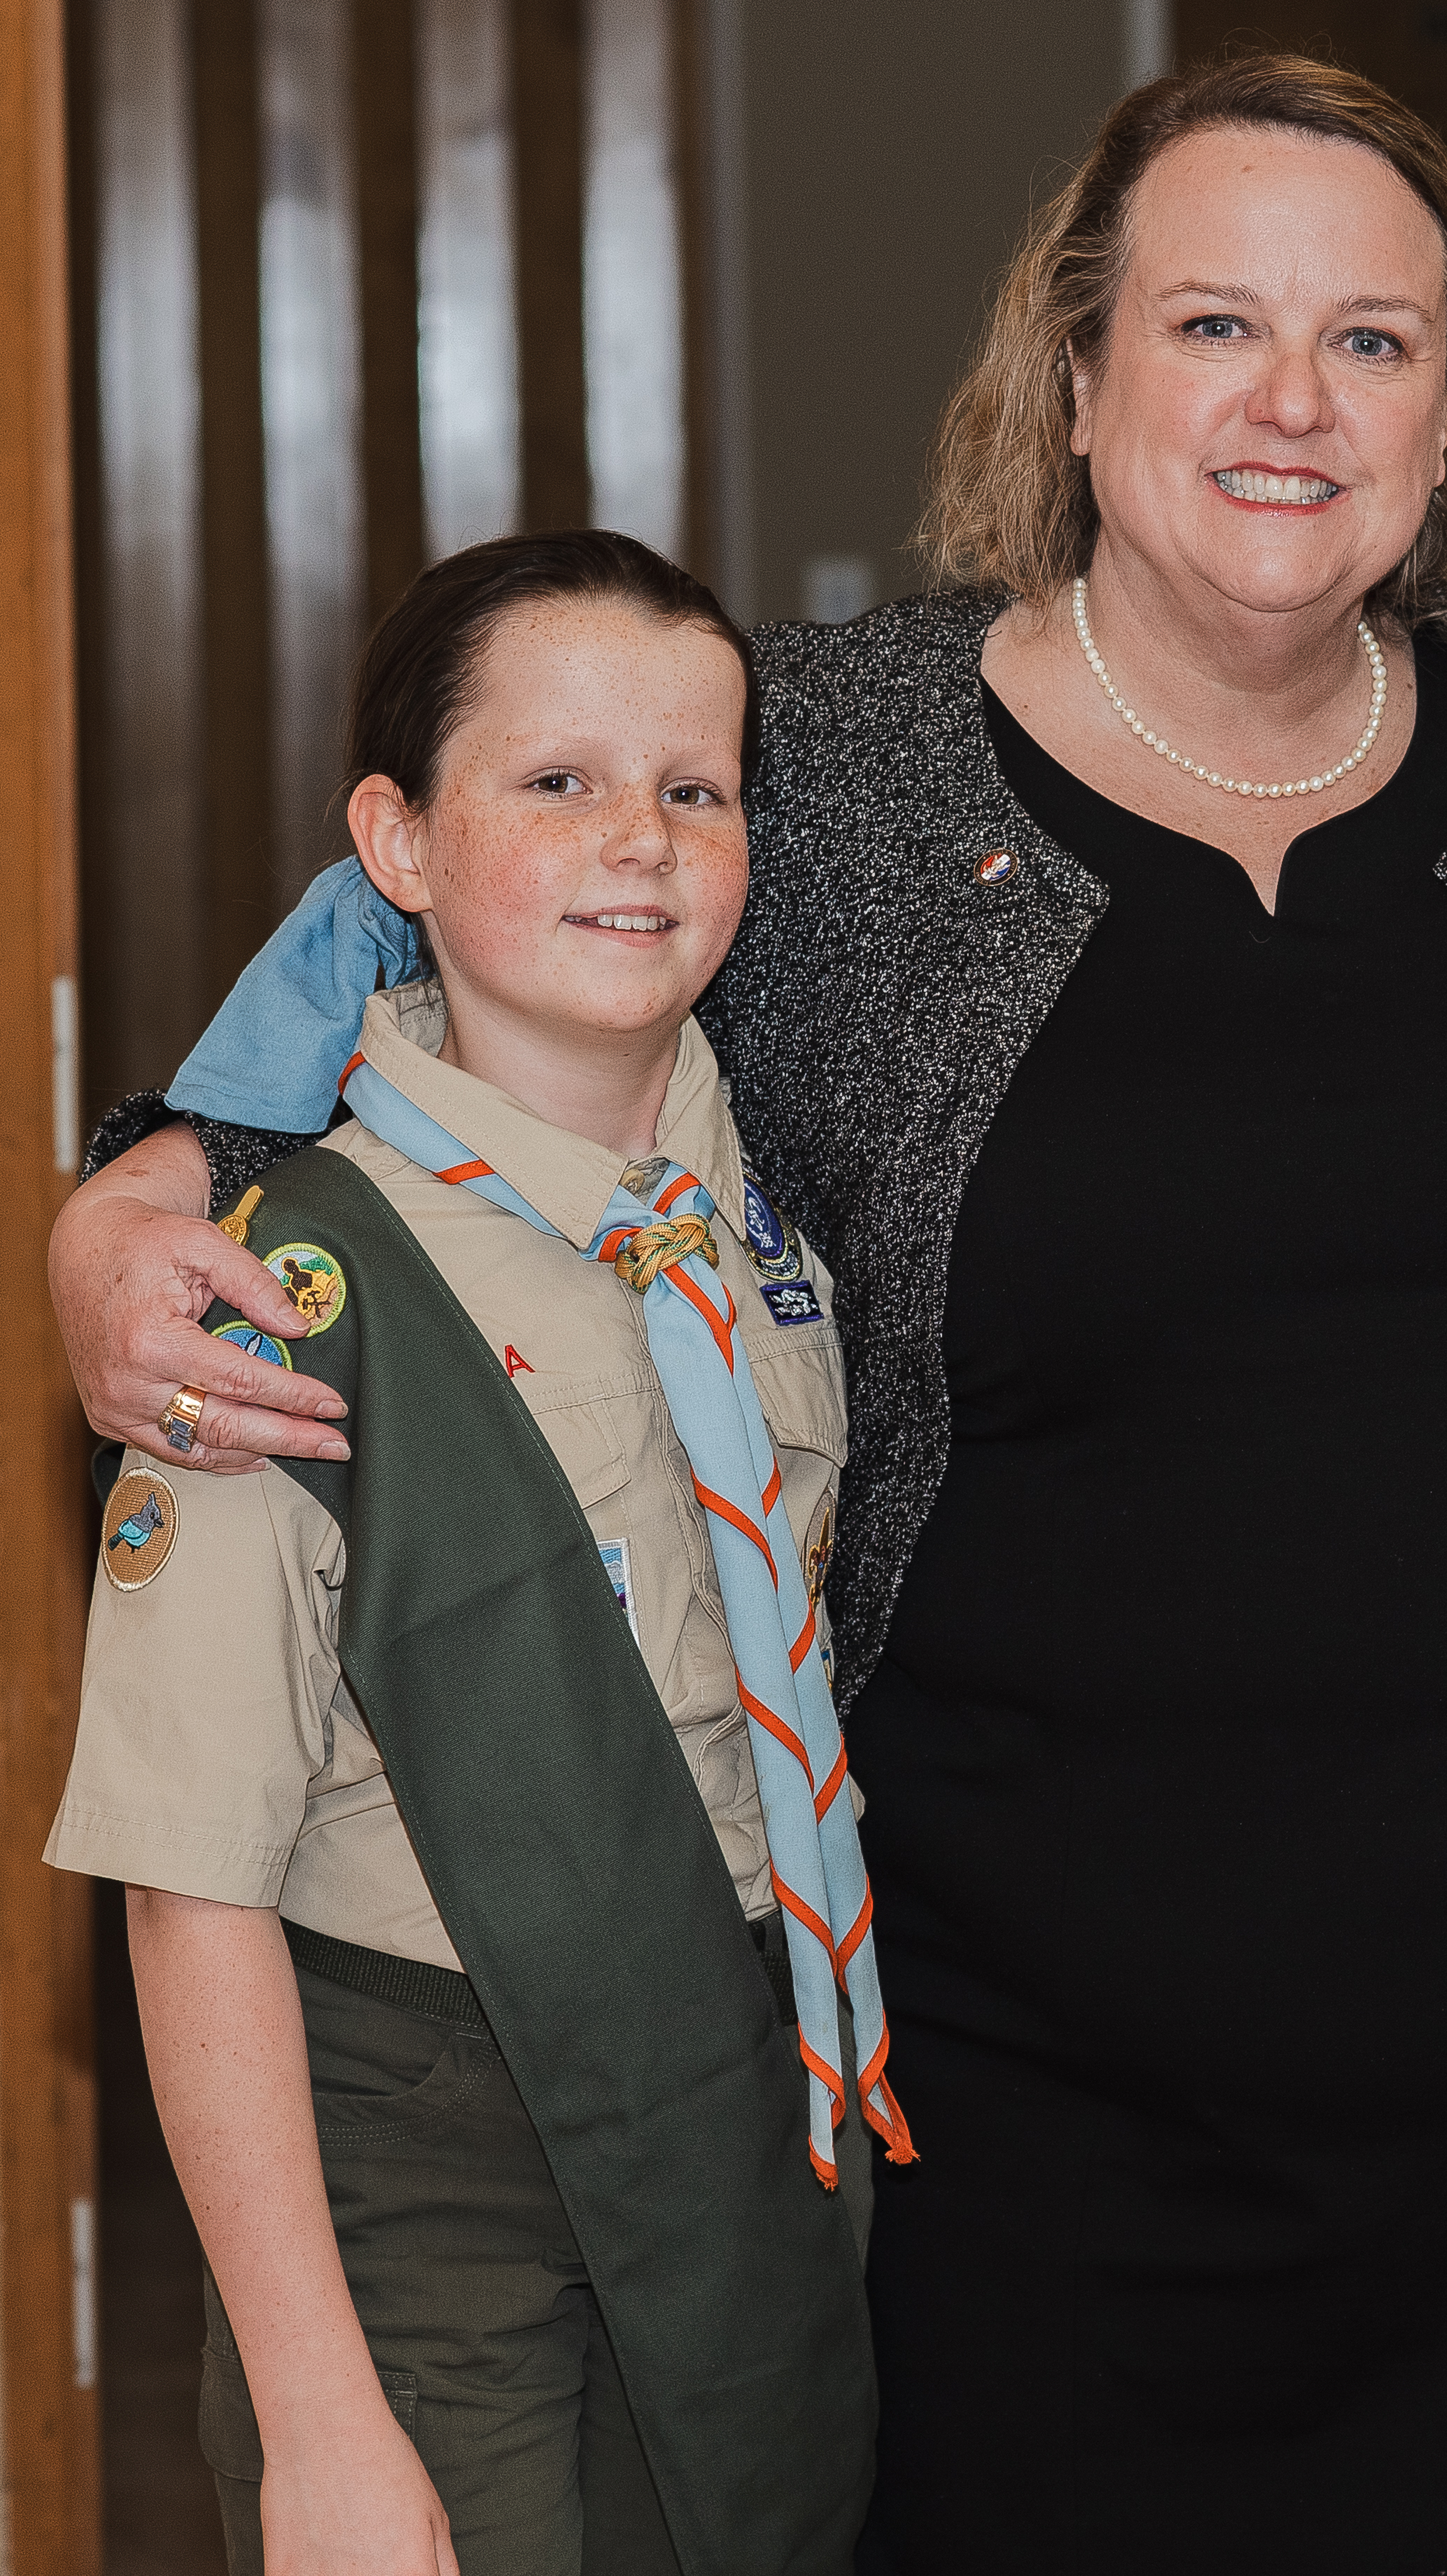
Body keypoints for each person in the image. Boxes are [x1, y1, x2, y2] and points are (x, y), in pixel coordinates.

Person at [48, 58, 1447, 2575]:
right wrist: (139, 1189)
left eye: (1374, 340)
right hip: (1007, 2077)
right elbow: (445, 919)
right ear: (1076, 380)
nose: (1294, 402)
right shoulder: (831, 760)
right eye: (1214, 323)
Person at [50, 532, 898, 2575]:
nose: (641, 840)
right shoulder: (275, 1297)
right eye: (557, 782)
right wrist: (321, 2414)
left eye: (695, 790)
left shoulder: (769, 1234)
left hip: (732, 2097)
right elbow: (191, 1893)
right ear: (395, 847)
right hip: (420, 2138)